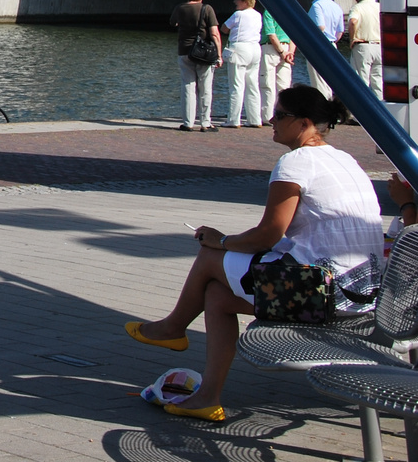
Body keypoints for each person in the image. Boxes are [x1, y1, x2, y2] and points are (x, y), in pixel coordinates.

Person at [125, 85, 384, 422]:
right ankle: (206, 396)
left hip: (321, 294)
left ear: (304, 123)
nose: (271, 120)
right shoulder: (343, 159)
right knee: (217, 296)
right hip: (360, 296)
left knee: (208, 258)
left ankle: (173, 328)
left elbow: (267, 234)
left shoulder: (296, 163)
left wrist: (222, 240)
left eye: (280, 115)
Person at [171, 0, 222, 131]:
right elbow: (214, 33)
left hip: (184, 50)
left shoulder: (180, 8)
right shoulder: (207, 9)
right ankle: (205, 122)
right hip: (203, 53)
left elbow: (173, 23)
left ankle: (188, 122)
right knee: (205, 88)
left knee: (188, 87)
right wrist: (218, 54)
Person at [221, 0, 263, 128]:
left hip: (240, 48)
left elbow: (224, 28)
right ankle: (254, 119)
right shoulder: (258, 15)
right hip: (255, 49)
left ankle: (233, 119)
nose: (235, 1)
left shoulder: (238, 14)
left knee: (237, 86)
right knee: (252, 85)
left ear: (244, 1)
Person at [307, 0, 346, 97]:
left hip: (319, 46)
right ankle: (329, 109)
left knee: (319, 83)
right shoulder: (336, 6)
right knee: (329, 81)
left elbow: (320, 27)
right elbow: (340, 31)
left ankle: (322, 111)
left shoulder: (316, 6)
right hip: (332, 45)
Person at [259, 1, 295, 124]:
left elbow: (271, 35)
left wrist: (281, 52)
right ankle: (285, 115)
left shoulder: (269, 12)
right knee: (284, 86)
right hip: (286, 48)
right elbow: (293, 35)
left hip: (271, 49)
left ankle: (267, 117)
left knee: (267, 84)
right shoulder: (288, 13)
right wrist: (290, 52)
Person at [347, 0, 383, 96]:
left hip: (363, 47)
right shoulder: (379, 7)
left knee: (362, 82)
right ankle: (380, 108)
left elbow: (353, 21)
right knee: (378, 82)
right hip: (379, 46)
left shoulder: (357, 7)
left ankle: (362, 110)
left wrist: (352, 38)